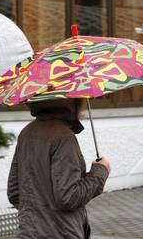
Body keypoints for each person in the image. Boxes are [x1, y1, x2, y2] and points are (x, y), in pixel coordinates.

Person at [7, 99, 110, 239]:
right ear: (74, 102)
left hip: (28, 233)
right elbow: (68, 197)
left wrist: (38, 215)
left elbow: (14, 192)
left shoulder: (26, 133)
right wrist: (99, 172)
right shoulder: (63, 137)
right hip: (61, 233)